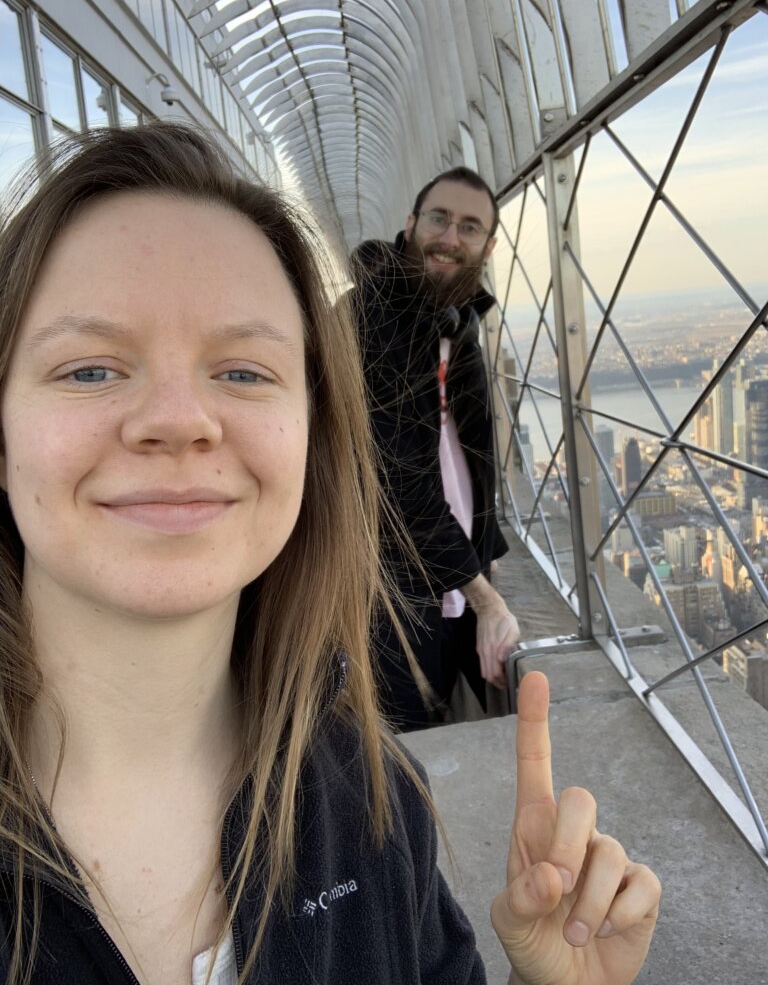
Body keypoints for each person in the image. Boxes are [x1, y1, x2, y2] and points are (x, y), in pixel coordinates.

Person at [0, 123, 660, 984]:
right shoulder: (385, 322)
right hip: (413, 580)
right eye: (89, 369)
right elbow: (406, 474)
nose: (177, 419)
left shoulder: (374, 802)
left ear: (311, 436)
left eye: (242, 372)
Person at [353, 168, 520, 731]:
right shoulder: (374, 317)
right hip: (392, 594)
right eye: (439, 218)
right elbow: (398, 484)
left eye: (469, 227)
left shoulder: (458, 317)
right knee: (405, 745)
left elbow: (469, 458)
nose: (451, 237)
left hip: (449, 580)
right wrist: (488, 602)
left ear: (489, 245)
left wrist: (480, 571)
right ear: (410, 224)